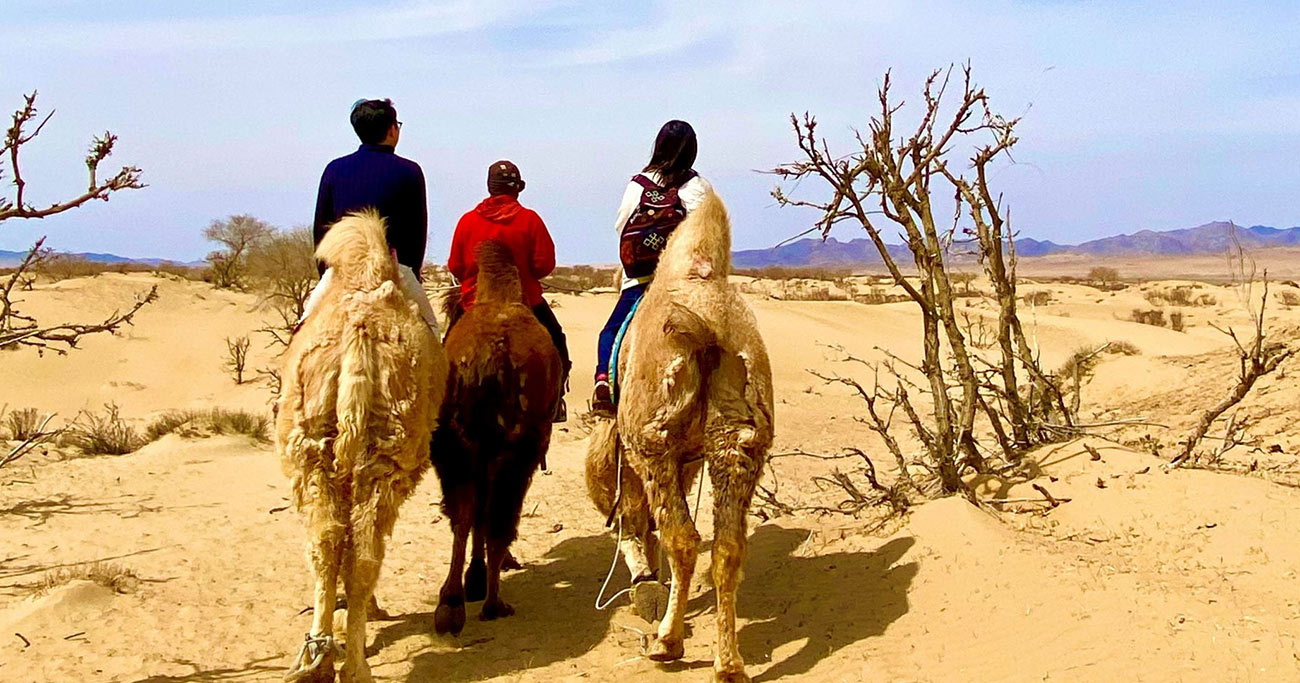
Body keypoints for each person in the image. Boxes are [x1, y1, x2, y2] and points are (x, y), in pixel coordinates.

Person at [591, 120, 712, 415]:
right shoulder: (699, 188)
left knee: (611, 333)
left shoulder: (638, 185)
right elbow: (706, 238)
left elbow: (621, 225)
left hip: (639, 283)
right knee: (719, 342)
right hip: (685, 285)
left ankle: (603, 384)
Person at [300, 98, 439, 333]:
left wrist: (327, 274)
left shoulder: (334, 169)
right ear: (392, 129)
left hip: (343, 270)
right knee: (431, 330)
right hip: (393, 268)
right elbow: (417, 232)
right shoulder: (410, 171)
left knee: (302, 331)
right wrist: (411, 272)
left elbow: (321, 230)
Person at [447, 160, 571, 422]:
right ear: (517, 190)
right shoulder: (530, 220)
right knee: (558, 345)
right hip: (525, 305)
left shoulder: (467, 221)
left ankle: (441, 401)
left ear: (490, 187)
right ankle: (554, 401)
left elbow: (456, 266)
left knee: (444, 351)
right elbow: (544, 263)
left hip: (473, 302)